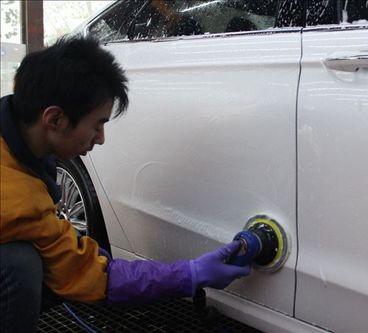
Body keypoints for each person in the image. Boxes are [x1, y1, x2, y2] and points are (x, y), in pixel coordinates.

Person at [0, 36, 251, 333]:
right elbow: (91, 275)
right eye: (97, 124)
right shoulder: (15, 195)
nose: (101, 138)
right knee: (21, 267)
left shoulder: (23, 154)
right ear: (54, 119)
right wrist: (190, 274)